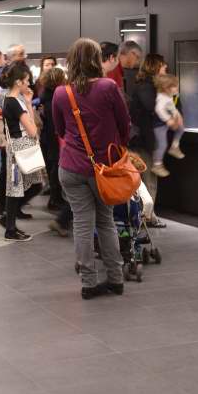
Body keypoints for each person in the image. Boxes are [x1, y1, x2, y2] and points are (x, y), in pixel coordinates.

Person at [52, 38, 129, 299]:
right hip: (104, 169)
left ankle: (88, 282)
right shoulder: (109, 87)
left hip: (71, 167)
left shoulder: (62, 92)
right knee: (106, 221)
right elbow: (124, 125)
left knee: (82, 224)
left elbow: (60, 130)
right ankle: (116, 279)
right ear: (97, 59)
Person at [0, 62, 42, 242]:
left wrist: (29, 102)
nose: (28, 84)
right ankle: (10, 227)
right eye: (26, 81)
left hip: (18, 148)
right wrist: (29, 106)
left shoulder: (12, 100)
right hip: (20, 148)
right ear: (17, 82)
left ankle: (10, 223)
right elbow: (32, 129)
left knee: (26, 186)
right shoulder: (14, 103)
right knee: (16, 188)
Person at [130, 53, 167, 227]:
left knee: (145, 180)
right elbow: (154, 108)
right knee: (149, 180)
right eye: (163, 65)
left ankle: (144, 215)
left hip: (143, 139)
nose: (166, 69)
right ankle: (149, 217)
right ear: (155, 66)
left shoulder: (143, 86)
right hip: (145, 141)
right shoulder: (146, 87)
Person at [38, 67, 67, 214]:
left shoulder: (44, 96)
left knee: (52, 168)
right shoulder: (53, 98)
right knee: (55, 168)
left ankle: (55, 198)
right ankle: (55, 199)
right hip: (53, 139)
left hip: (46, 138)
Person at [152, 74, 186, 177]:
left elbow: (172, 107)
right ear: (166, 88)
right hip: (159, 125)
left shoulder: (168, 96)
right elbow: (159, 109)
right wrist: (168, 120)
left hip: (167, 122)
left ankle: (174, 147)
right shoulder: (162, 98)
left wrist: (177, 115)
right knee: (162, 144)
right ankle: (157, 165)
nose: (177, 88)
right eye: (174, 86)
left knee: (181, 129)